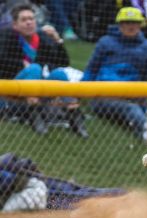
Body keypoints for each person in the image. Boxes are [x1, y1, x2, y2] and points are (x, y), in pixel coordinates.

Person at [83, 7, 147, 146]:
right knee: (130, 109)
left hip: (131, 93)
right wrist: (81, 91)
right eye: (127, 22)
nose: (131, 26)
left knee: (135, 109)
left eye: (135, 22)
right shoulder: (105, 42)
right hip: (104, 94)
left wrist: (141, 98)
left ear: (140, 24)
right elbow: (92, 69)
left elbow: (144, 77)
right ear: (120, 24)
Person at [0, 3, 88, 137]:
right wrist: (21, 64)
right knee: (35, 68)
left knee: (59, 73)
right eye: (24, 20)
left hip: (38, 91)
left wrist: (58, 41)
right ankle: (34, 116)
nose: (29, 22)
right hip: (12, 93)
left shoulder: (41, 37)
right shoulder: (7, 36)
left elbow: (62, 63)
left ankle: (74, 116)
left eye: (31, 18)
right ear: (15, 25)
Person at [0, 152, 125, 211]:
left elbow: (12, 177)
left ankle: (119, 196)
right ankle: (118, 196)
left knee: (75, 197)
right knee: (74, 193)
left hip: (34, 188)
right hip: (34, 187)